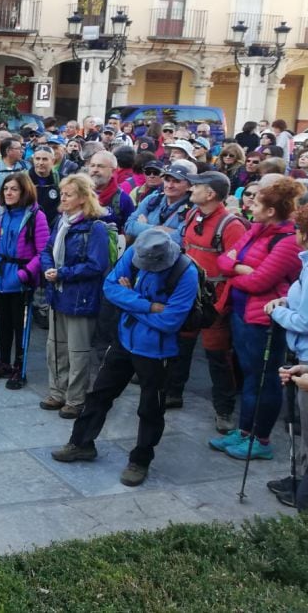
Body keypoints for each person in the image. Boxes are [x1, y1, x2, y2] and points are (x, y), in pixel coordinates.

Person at [52, 228, 199, 487]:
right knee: (99, 394)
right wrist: (148, 304)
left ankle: (140, 460)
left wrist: (130, 301)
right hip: (124, 340)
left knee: (150, 408)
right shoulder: (138, 250)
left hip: (158, 351)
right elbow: (110, 288)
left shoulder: (186, 273)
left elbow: (170, 321)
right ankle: (80, 443)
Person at [211, 178, 304, 461]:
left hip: (263, 320)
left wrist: (236, 268)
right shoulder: (256, 229)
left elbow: (260, 281)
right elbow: (223, 261)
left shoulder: (287, 242)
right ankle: (243, 431)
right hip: (241, 313)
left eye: (257, 202)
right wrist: (242, 267)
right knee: (250, 377)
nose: (250, 204)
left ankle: (260, 438)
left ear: (272, 210)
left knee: (263, 380)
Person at [180, 170, 249, 433]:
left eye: (196, 186)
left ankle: (224, 410)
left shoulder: (231, 226)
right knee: (182, 344)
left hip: (214, 302)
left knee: (217, 356)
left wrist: (221, 306)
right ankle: (174, 392)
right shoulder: (192, 214)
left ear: (210, 194)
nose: (190, 189)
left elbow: (235, 269)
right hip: (189, 296)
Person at [40, 172, 111, 417]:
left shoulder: (95, 227)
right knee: (55, 347)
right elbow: (47, 248)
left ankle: (75, 397)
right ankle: (56, 392)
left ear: (82, 198)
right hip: (57, 293)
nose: (63, 198)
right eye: (62, 194)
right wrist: (49, 267)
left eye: (68, 195)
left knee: (78, 351)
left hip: (80, 297)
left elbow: (96, 265)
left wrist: (62, 273)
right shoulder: (61, 221)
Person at [266, 202, 308, 508]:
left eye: (297, 228)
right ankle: (301, 478)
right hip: (306, 356)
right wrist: (287, 300)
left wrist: (277, 312)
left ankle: (307, 489)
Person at [0, 172, 49, 388]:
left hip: (20, 278)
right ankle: (3, 362)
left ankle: (20, 366)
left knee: (21, 325)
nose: (8, 193)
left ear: (24, 191)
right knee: (3, 322)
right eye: (6, 189)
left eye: (14, 189)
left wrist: (25, 274)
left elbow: (43, 251)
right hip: (0, 275)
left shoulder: (36, 216)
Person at [124, 160, 195, 243]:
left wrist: (143, 227)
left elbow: (181, 239)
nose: (169, 185)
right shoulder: (152, 199)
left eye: (176, 181)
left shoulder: (193, 208)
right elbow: (128, 225)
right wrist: (158, 229)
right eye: (167, 180)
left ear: (189, 186)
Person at [88, 150, 134, 234]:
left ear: (113, 171)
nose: (95, 169)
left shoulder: (123, 199)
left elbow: (130, 232)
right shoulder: (79, 193)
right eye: (92, 165)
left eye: (100, 166)